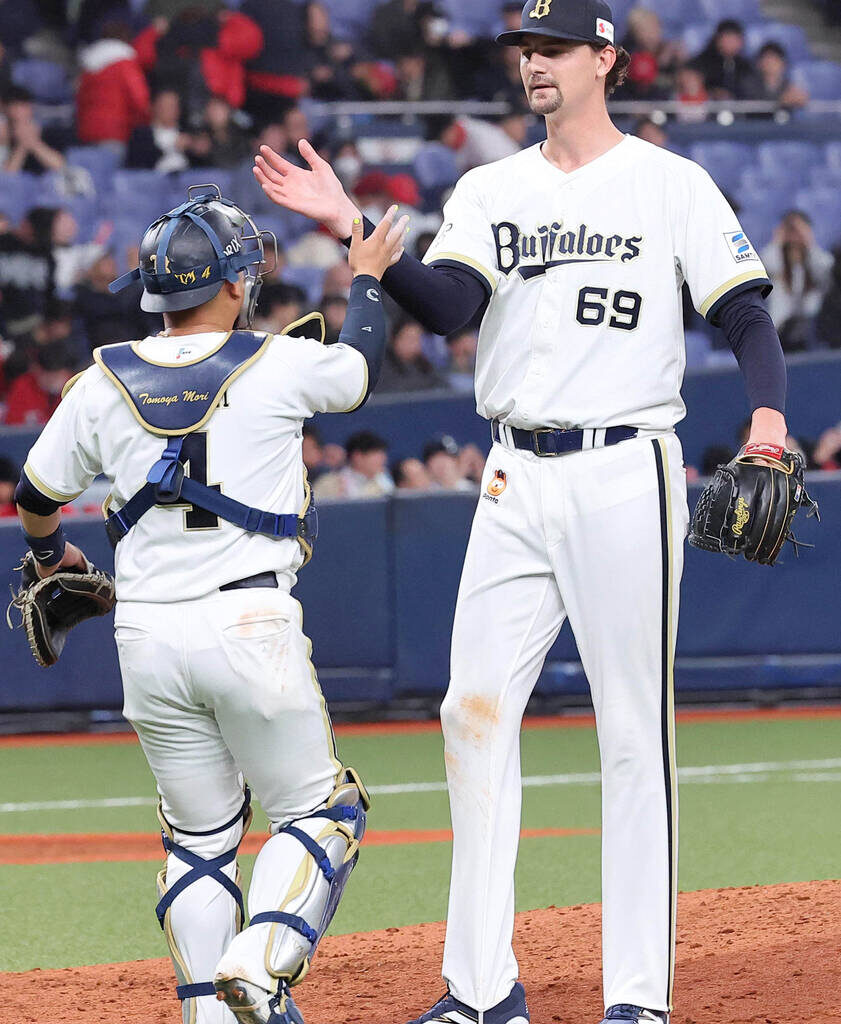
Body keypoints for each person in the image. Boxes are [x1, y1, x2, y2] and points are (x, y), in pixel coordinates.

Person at [253, 0, 792, 1021]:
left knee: (634, 736)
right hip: (513, 475)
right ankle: (480, 988)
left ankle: (637, 996)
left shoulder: (669, 182)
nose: (532, 64)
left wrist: (765, 415)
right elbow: (451, 305)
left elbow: (744, 310)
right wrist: (350, 228)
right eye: (522, 50)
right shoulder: (491, 187)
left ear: (604, 60)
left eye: (552, 49)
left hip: (626, 467)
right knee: (470, 711)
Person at [13, 186, 407, 1024]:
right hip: (247, 622)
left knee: (197, 843)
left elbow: (35, 491)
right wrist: (366, 278)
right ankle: (262, 965)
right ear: (234, 285)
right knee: (319, 810)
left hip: (146, 634)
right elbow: (363, 367)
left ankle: (209, 1014)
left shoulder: (100, 376)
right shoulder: (277, 360)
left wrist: (52, 554)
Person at [762, 210, 833, 350]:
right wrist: (778, 239)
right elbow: (766, 263)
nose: (794, 237)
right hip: (779, 334)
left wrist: (808, 241)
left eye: (798, 231)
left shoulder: (817, 262)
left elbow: (826, 269)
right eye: (790, 230)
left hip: (813, 332)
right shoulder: (775, 266)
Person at [313, 430, 394, 500]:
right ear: (357, 456)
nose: (383, 459)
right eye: (376, 455)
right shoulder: (329, 483)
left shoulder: (384, 482)